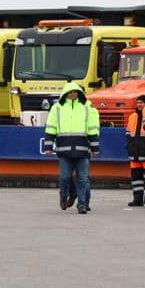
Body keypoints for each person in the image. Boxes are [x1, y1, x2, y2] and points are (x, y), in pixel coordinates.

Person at [43, 83, 101, 214]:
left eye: (75, 92)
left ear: (79, 93)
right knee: (64, 178)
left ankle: (82, 204)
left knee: (82, 179)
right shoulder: (57, 108)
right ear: (65, 93)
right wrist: (48, 146)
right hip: (64, 150)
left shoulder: (87, 107)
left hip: (82, 150)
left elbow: (93, 129)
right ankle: (63, 196)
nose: (73, 94)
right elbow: (51, 127)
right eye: (70, 92)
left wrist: (95, 147)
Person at [125, 94, 145, 207]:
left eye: (141, 102)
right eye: (138, 103)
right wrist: (129, 146)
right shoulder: (132, 116)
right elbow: (128, 133)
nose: (139, 105)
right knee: (136, 178)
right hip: (134, 153)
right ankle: (137, 199)